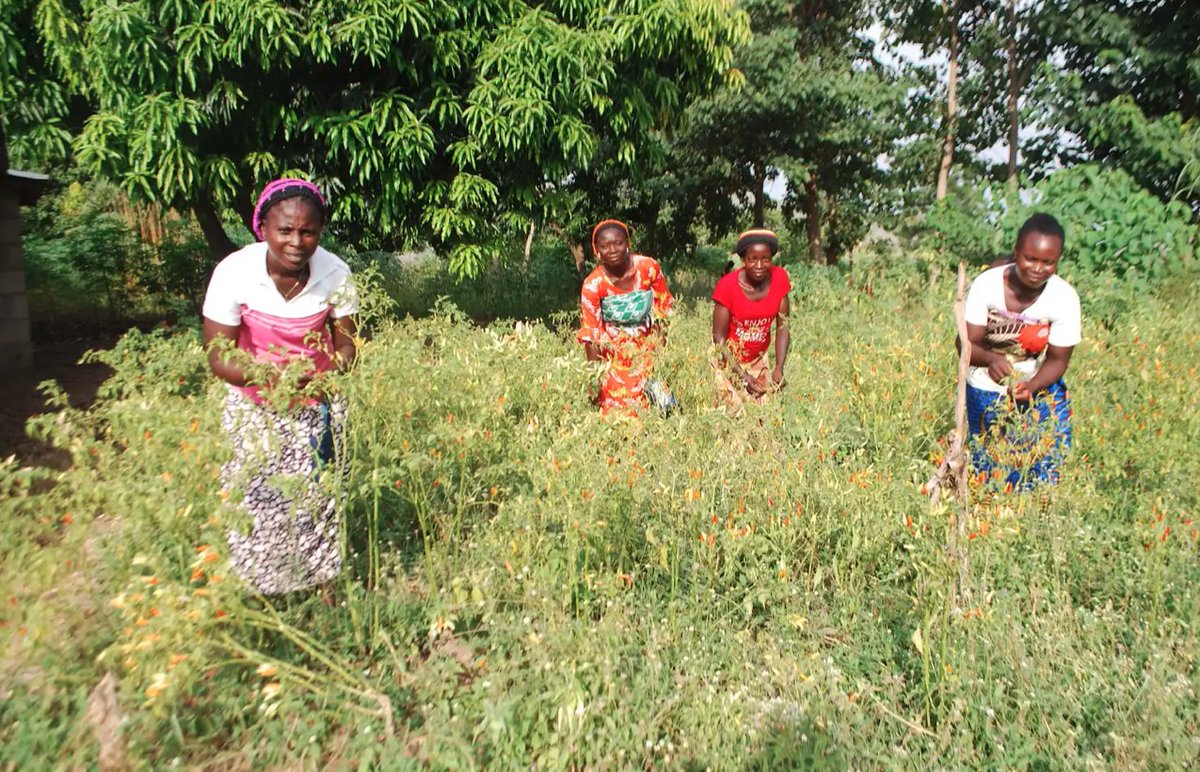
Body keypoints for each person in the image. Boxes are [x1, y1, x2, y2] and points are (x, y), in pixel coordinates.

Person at [201, 178, 358, 594]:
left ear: (319, 232)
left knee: (319, 494)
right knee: (260, 498)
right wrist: (272, 381)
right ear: (263, 228)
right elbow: (220, 355)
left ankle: (323, 584)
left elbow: (347, 341)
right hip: (256, 407)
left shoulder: (336, 273)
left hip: (318, 405)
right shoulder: (234, 273)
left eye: (308, 231)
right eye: (284, 230)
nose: (296, 241)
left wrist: (332, 372)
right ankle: (265, 593)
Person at [964, 213, 1080, 489]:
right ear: (1017, 253)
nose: (1038, 268)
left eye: (1048, 262)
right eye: (1030, 258)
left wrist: (1032, 386)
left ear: (1057, 261)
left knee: (1045, 460)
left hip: (1037, 386)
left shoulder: (1064, 298)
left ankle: (1036, 518)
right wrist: (992, 359)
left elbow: (1058, 360)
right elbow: (966, 345)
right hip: (984, 385)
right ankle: (991, 516)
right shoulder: (987, 285)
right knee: (991, 464)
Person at [577, 219, 675, 415]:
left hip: (650, 352)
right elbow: (592, 337)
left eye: (618, 243)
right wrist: (594, 382)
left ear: (628, 244)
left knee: (663, 411)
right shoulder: (593, 285)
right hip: (615, 360)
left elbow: (664, 310)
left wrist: (661, 356)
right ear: (597, 251)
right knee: (622, 420)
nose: (612, 250)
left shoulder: (648, 268)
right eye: (605, 246)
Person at [710, 229, 791, 409]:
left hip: (757, 358)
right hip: (728, 358)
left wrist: (779, 367)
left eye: (766, 259)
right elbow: (718, 340)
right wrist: (742, 376)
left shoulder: (779, 279)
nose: (759, 265)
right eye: (752, 259)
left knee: (763, 416)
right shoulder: (727, 286)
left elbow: (783, 326)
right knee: (733, 414)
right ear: (743, 260)